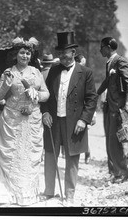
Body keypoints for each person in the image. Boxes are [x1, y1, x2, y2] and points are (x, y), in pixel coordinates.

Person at [0, 36, 50, 206]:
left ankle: (26, 194)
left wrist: (37, 95)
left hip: (31, 120)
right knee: (10, 155)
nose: (25, 56)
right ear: (15, 54)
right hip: (11, 119)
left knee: (28, 156)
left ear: (31, 55)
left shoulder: (36, 73)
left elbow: (46, 94)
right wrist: (6, 84)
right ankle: (6, 193)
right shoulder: (8, 72)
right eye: (22, 53)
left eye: (28, 53)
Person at [41, 31, 97, 206]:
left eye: (65, 56)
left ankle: (69, 194)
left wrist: (84, 119)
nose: (63, 59)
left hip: (75, 122)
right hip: (54, 120)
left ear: (73, 53)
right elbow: (46, 95)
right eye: (60, 56)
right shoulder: (54, 70)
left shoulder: (86, 72)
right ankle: (49, 191)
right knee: (50, 155)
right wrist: (45, 112)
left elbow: (91, 98)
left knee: (72, 158)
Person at [97, 37, 128, 184]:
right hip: (109, 107)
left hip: (118, 108)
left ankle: (123, 173)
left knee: (116, 142)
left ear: (108, 47)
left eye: (101, 47)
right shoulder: (110, 62)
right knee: (109, 141)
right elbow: (107, 82)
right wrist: (96, 93)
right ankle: (115, 172)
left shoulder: (121, 61)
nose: (100, 50)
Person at [74, 53, 96, 164]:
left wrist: (93, 114)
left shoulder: (87, 74)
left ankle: (87, 153)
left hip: (84, 111)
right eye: (82, 64)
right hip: (74, 109)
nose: (83, 67)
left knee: (84, 134)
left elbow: (91, 97)